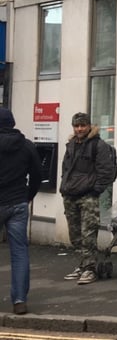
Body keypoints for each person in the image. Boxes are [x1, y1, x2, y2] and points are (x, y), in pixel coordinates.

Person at [60, 112, 117, 285]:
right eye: (76, 126)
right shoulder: (71, 145)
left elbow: (106, 171)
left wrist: (95, 191)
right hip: (70, 195)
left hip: (88, 196)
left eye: (82, 125)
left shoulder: (98, 146)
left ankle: (90, 269)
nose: (79, 129)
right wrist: (64, 187)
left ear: (89, 126)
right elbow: (65, 169)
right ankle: (83, 264)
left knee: (88, 234)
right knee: (75, 235)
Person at [0, 108, 42, 315]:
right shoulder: (26, 146)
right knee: (19, 253)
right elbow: (37, 174)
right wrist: (28, 196)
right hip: (18, 202)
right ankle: (19, 300)